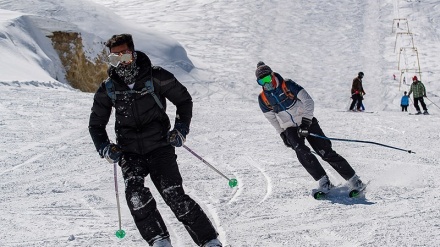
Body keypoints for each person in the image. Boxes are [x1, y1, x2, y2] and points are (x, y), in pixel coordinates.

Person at [88, 34, 222, 247]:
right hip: (129, 153)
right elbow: (96, 125)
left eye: (124, 56)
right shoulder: (108, 88)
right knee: (135, 195)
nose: (120, 62)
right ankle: (159, 240)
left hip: (160, 147)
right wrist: (105, 148)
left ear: (132, 54)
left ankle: (209, 241)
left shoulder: (156, 76)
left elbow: (184, 101)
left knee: (174, 194)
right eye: (114, 59)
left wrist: (180, 129)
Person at [255, 61, 365, 194]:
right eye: (261, 82)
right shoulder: (263, 98)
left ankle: (354, 180)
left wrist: (306, 122)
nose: (266, 84)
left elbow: (308, 101)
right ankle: (323, 181)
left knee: (325, 151)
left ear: (272, 75)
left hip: (306, 120)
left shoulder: (287, 84)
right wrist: (282, 134)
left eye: (267, 79)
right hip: (289, 127)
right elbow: (271, 118)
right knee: (301, 152)